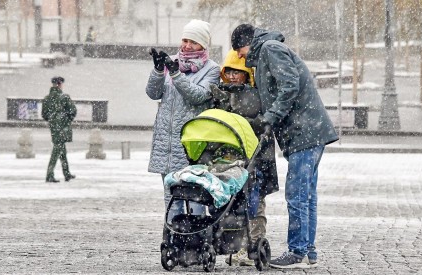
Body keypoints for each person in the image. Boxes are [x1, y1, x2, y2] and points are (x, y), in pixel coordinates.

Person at [230, 24, 339, 269]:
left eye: (239, 48)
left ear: (249, 42)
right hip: (309, 132)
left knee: (297, 194)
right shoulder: (269, 51)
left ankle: (297, 252)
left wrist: (270, 117)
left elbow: (289, 86)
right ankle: (308, 251)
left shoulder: (270, 48)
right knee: (307, 195)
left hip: (304, 133)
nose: (238, 55)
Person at [145, 19, 220, 221]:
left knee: (196, 198)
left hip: (191, 144)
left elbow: (197, 95)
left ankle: (196, 242)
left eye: (193, 42)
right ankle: (173, 243)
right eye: (185, 40)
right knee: (171, 199)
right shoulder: (170, 62)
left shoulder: (212, 69)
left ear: (203, 45)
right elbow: (153, 93)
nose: (187, 45)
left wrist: (176, 73)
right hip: (167, 142)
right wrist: (159, 71)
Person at [210, 49, 279, 266]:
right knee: (232, 202)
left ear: (247, 74)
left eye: (237, 72)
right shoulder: (221, 95)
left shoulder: (256, 96)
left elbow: (259, 126)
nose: (231, 76)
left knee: (254, 201)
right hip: (230, 159)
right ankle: (235, 243)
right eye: (228, 71)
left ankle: (254, 241)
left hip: (254, 160)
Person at [42, 76, 77, 183]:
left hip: (54, 128)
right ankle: (49, 175)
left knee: (62, 151)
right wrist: (66, 120)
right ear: (60, 84)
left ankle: (66, 173)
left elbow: (44, 114)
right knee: (57, 151)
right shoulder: (64, 97)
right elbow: (73, 111)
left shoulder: (47, 98)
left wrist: (53, 121)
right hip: (63, 127)